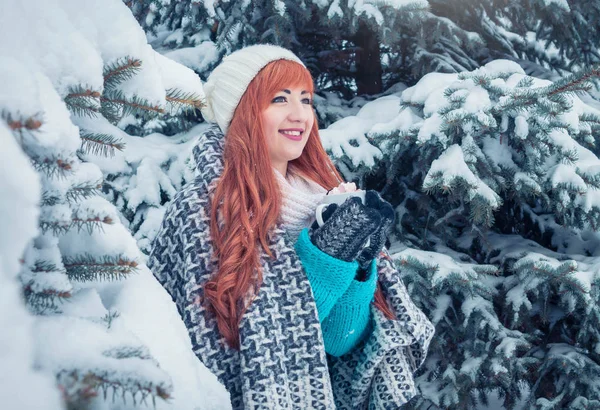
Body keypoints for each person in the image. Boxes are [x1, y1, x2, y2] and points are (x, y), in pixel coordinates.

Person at [148, 44, 434, 409]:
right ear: (244, 113)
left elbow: (338, 342)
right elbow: (244, 346)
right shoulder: (203, 211)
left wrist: (356, 263)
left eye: (306, 100)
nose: (300, 115)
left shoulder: (324, 199)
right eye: (280, 100)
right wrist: (325, 255)